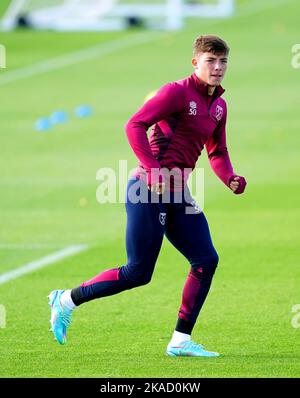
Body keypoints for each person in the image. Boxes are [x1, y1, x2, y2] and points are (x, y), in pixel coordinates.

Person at [48, 35, 247, 357]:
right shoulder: (176, 92)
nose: (218, 67)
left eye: (223, 61)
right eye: (211, 61)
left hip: (178, 191)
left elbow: (218, 150)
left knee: (206, 260)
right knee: (138, 272)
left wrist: (230, 178)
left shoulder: (220, 106)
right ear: (195, 63)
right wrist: (153, 169)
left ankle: (180, 340)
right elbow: (135, 124)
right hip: (146, 189)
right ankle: (66, 299)